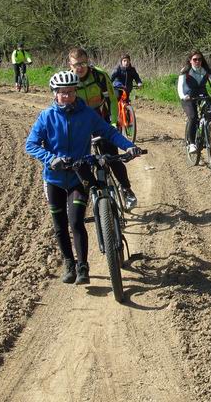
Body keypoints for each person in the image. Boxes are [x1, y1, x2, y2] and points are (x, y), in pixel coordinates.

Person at [26, 70, 142, 285]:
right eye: (62, 93)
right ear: (55, 94)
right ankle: (69, 263)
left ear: (75, 92)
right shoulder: (46, 117)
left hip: (79, 175)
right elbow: (31, 145)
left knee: (76, 221)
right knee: (59, 225)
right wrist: (51, 159)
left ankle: (83, 266)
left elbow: (109, 132)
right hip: (54, 178)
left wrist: (129, 146)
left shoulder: (87, 114)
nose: (67, 96)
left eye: (70, 92)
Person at [69, 47, 139, 209]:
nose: (79, 68)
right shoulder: (69, 80)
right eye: (75, 65)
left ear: (88, 62)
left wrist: (113, 122)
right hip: (80, 123)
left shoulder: (99, 75)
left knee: (112, 156)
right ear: (69, 65)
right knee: (79, 162)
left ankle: (126, 189)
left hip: (102, 119)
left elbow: (113, 100)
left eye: (83, 63)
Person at [177, 50, 211, 154]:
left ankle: (207, 135)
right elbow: (180, 86)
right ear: (190, 60)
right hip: (188, 96)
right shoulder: (185, 70)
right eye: (195, 59)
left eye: (199, 59)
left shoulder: (205, 70)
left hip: (202, 94)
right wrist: (183, 96)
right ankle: (191, 143)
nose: (197, 61)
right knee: (193, 117)